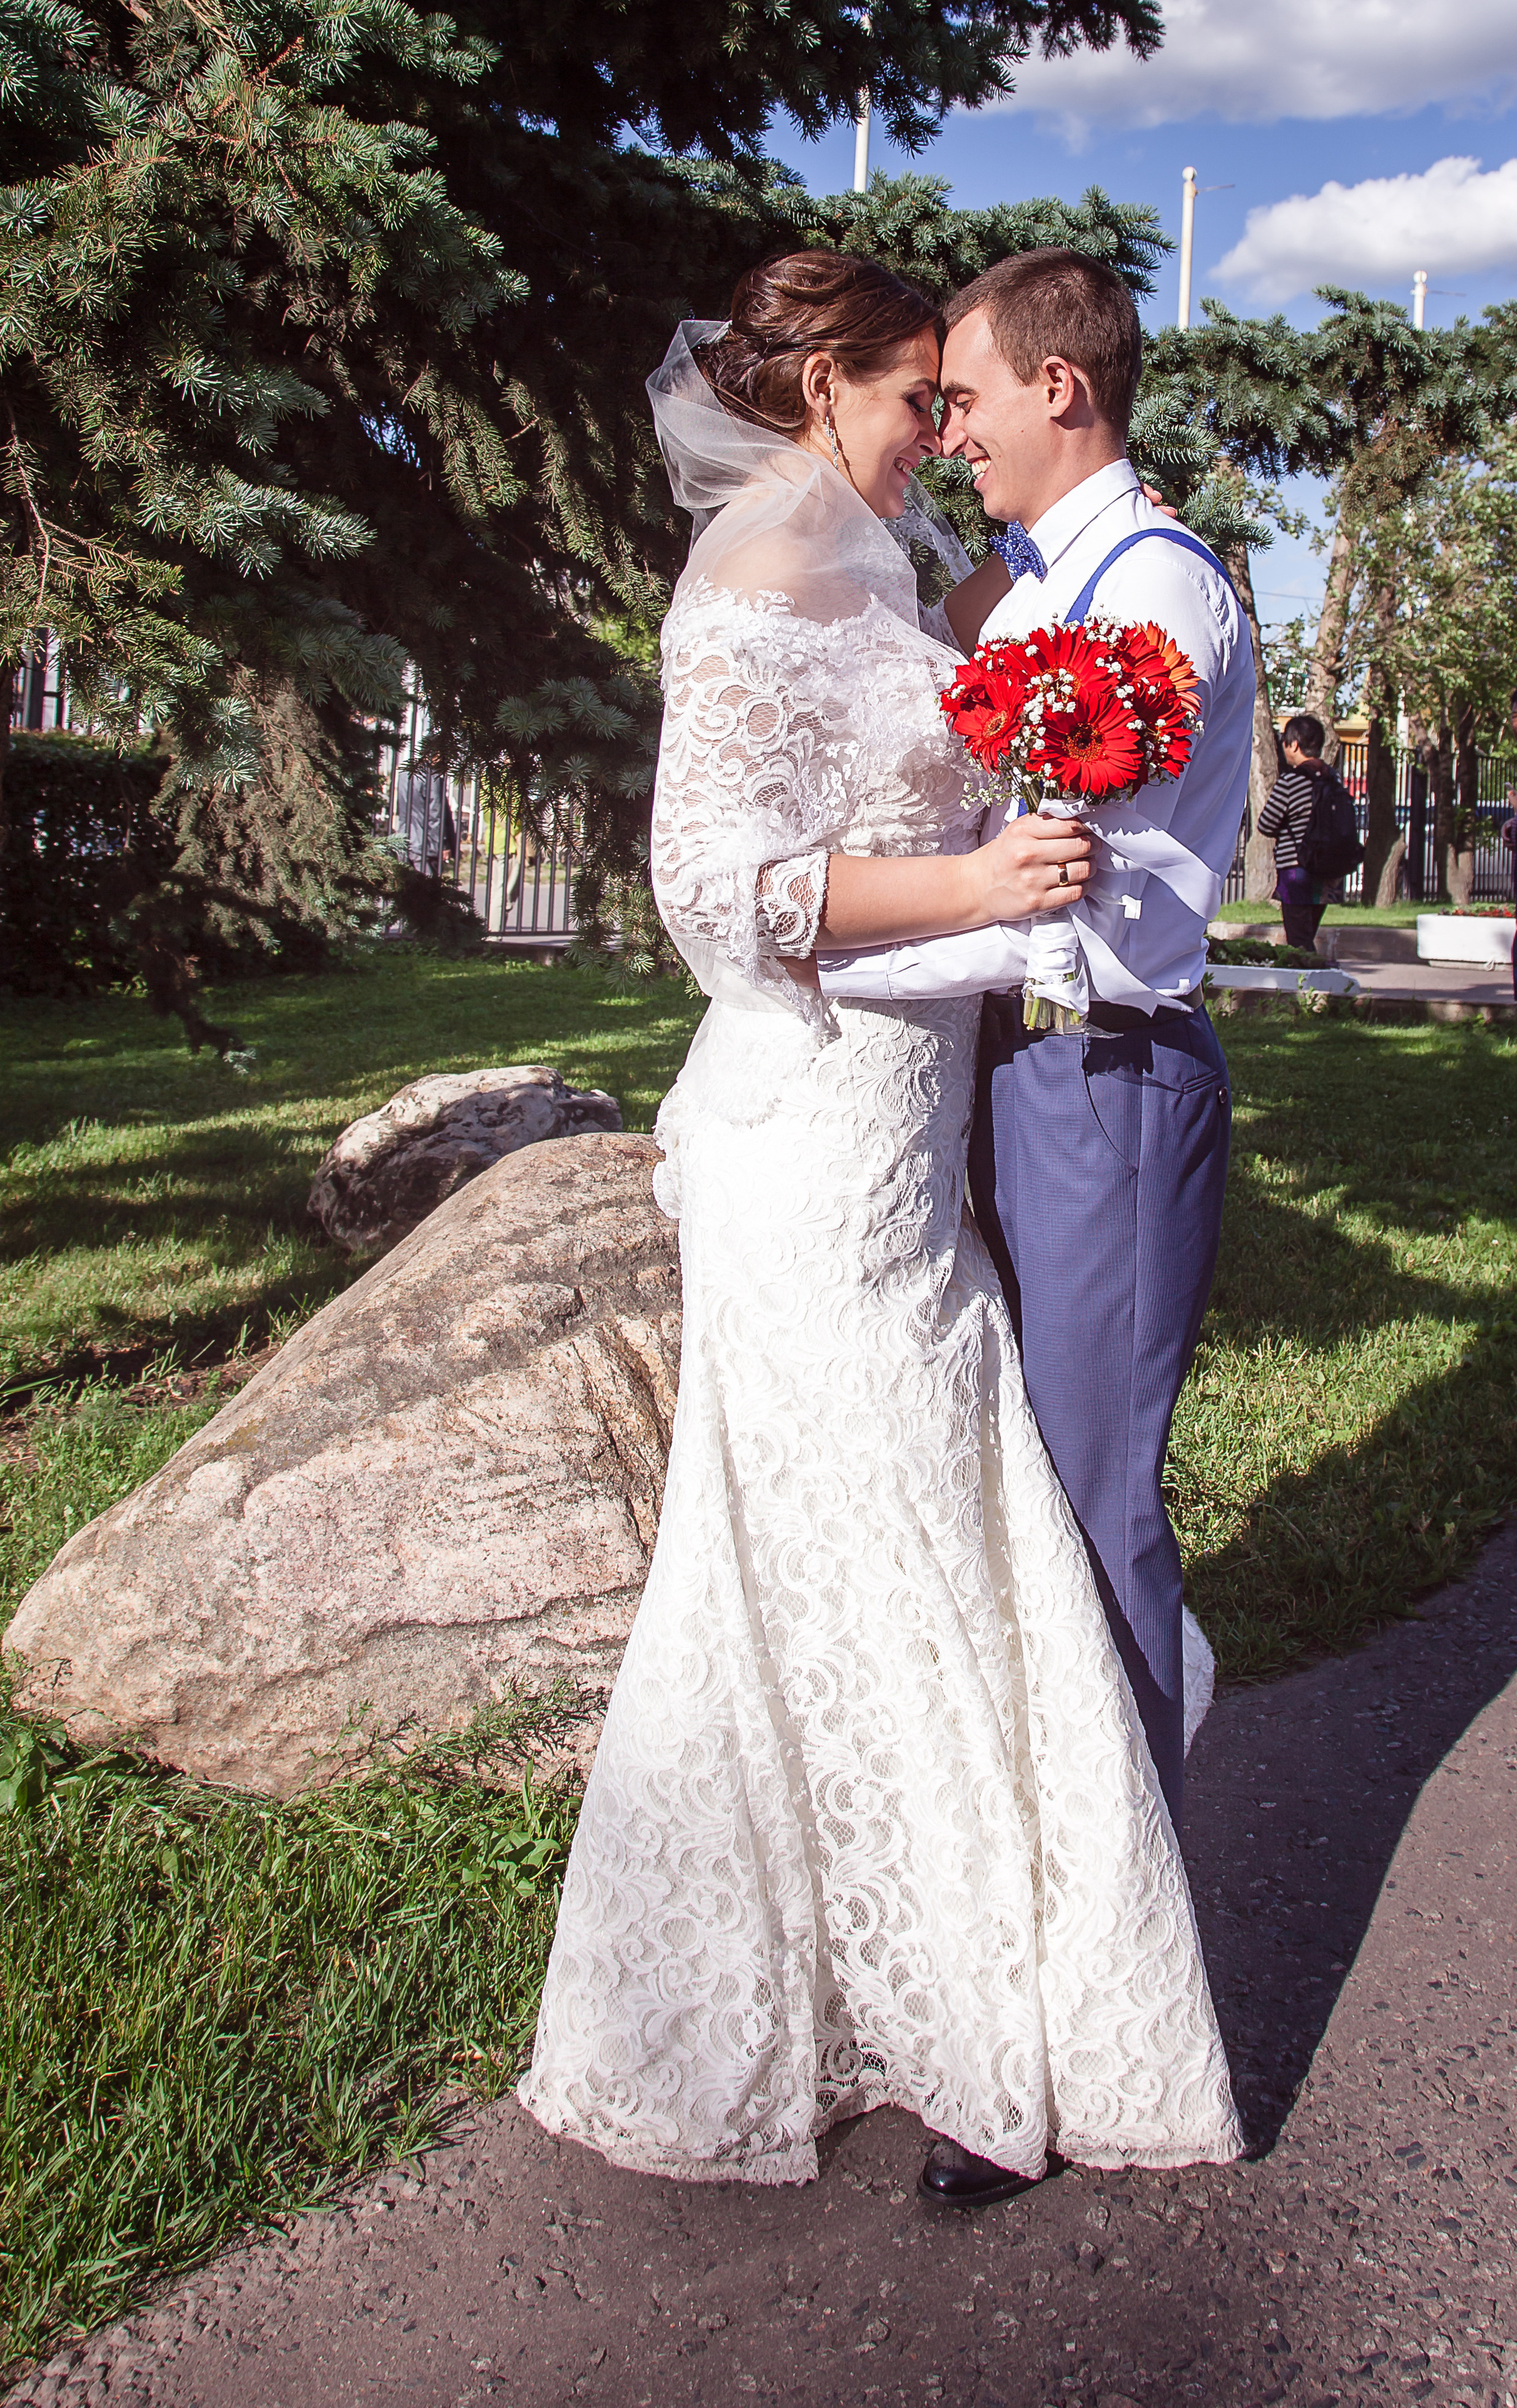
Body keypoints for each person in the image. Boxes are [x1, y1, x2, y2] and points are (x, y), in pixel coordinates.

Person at [519, 249, 1242, 2212]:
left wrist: (1006, 872)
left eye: (959, 397)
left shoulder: (901, 568)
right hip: (812, 1131)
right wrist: (979, 881)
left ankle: (938, 1965)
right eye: (918, 396)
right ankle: (953, 2001)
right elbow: (710, 889)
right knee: (879, 1551)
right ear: (825, 382)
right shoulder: (754, 575)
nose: (943, 427)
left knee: (889, 1539)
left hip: (916, 1125)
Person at [818, 249, 1255, 1836]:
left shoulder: (1154, 589)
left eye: (972, 398)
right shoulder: (1030, 582)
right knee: (1026, 1481)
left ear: (1059, 390)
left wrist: (828, 947)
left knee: (1094, 1494)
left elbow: (1064, 887)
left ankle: (1131, 1900)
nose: (949, 434)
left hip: (1107, 1077)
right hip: (1018, 1067)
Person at [1257, 714, 1332, 950]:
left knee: (1298, 941)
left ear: (1295, 745)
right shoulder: (1333, 778)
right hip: (1329, 870)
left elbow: (1266, 823)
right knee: (1307, 933)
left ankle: (1308, 983)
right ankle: (1312, 978)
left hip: (1296, 869)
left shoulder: (1293, 780)